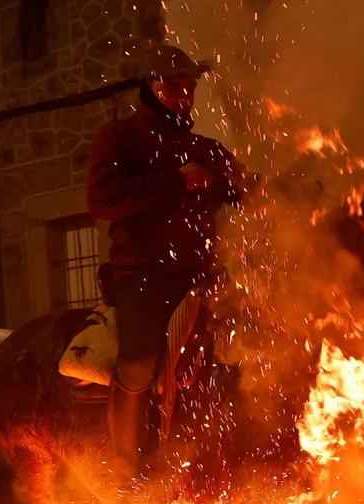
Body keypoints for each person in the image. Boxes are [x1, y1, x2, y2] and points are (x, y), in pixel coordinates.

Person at [85, 44, 246, 473]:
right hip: (143, 276)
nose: (184, 95)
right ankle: (126, 469)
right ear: (150, 86)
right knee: (138, 361)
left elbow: (250, 190)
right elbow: (102, 199)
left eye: (189, 87)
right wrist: (175, 181)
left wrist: (299, 193)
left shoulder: (207, 149)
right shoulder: (119, 138)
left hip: (202, 275)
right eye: (173, 86)